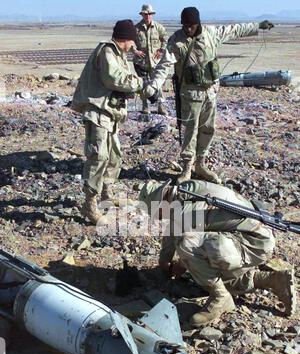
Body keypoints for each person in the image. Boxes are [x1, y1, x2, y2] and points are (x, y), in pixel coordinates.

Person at [139, 179, 296, 327]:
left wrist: (181, 264)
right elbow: (173, 226)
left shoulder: (186, 213)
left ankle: (220, 297)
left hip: (253, 243)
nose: (158, 219)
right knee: (204, 270)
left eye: (155, 214)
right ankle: (273, 280)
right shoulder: (186, 190)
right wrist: (164, 259)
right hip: (252, 235)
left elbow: (182, 236)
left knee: (188, 245)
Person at [143, 7, 274, 184]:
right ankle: (187, 166)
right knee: (190, 130)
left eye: (192, 25)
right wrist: (154, 86)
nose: (188, 29)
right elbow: (164, 65)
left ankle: (201, 164)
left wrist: (258, 25)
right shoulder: (176, 41)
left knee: (208, 128)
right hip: (190, 94)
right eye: (186, 25)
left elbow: (234, 29)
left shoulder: (212, 33)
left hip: (211, 92)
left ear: (198, 23)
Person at [71, 20, 145, 224]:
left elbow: (122, 81)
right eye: (132, 41)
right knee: (98, 157)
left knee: (114, 156)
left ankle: (106, 193)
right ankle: (89, 204)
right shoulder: (107, 51)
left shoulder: (119, 54)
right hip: (98, 113)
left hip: (110, 114)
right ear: (126, 38)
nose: (133, 45)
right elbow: (115, 79)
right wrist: (140, 83)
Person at [133, 4, 168, 116]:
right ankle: (145, 106)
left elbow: (165, 39)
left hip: (154, 63)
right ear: (142, 14)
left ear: (152, 15)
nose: (147, 16)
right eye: (145, 14)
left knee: (157, 84)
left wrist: (161, 50)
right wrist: (135, 51)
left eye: (149, 14)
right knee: (142, 84)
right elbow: (129, 42)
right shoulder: (136, 28)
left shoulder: (159, 27)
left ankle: (160, 106)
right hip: (140, 62)